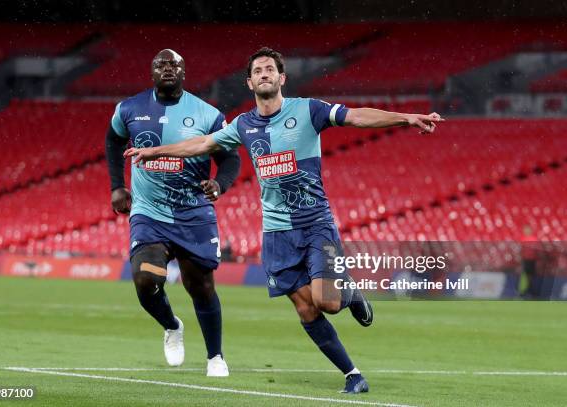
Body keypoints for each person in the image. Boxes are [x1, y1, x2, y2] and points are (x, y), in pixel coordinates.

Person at [124, 47, 443, 393]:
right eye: (258, 70)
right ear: (249, 82)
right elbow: (201, 144)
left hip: (316, 223)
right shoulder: (243, 125)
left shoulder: (309, 110)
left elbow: (356, 116)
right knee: (305, 308)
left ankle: (350, 294)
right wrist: (153, 151)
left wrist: (405, 118)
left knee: (328, 302)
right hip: (277, 234)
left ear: (281, 78)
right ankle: (353, 375)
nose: (264, 74)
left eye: (269, 69)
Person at [105, 48, 240, 377]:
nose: (167, 68)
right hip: (149, 214)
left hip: (194, 214)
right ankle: (172, 325)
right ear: (151, 72)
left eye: (174, 64)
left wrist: (219, 184)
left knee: (201, 286)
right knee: (145, 280)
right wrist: (116, 186)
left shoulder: (207, 114)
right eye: (161, 64)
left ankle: (215, 357)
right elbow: (112, 140)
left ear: (183, 72)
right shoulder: (129, 109)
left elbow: (231, 157)